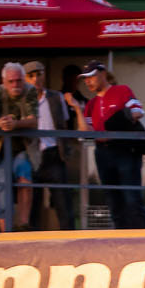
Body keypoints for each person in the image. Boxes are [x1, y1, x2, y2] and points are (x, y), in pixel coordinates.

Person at [79, 62, 145, 229]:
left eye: (91, 77)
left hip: (125, 149)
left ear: (103, 74)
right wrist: (76, 108)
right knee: (112, 198)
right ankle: (121, 238)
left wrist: (117, 123)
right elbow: (87, 131)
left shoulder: (122, 91)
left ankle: (144, 238)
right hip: (103, 153)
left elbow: (138, 112)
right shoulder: (91, 104)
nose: (88, 82)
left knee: (131, 197)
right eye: (85, 79)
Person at [0, 61, 42, 231]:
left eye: (18, 81)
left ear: (23, 80)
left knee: (25, 178)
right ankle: (5, 233)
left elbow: (34, 121)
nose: (15, 85)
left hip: (23, 147)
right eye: (11, 81)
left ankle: (23, 224)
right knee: (2, 191)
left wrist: (15, 124)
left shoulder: (30, 91)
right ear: (4, 81)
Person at [21, 60, 84, 229]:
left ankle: (70, 241)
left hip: (54, 153)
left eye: (39, 74)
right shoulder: (21, 100)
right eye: (31, 76)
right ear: (25, 79)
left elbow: (63, 124)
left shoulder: (56, 97)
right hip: (31, 155)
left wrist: (65, 152)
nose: (35, 79)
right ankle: (32, 242)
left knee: (63, 203)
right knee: (33, 204)